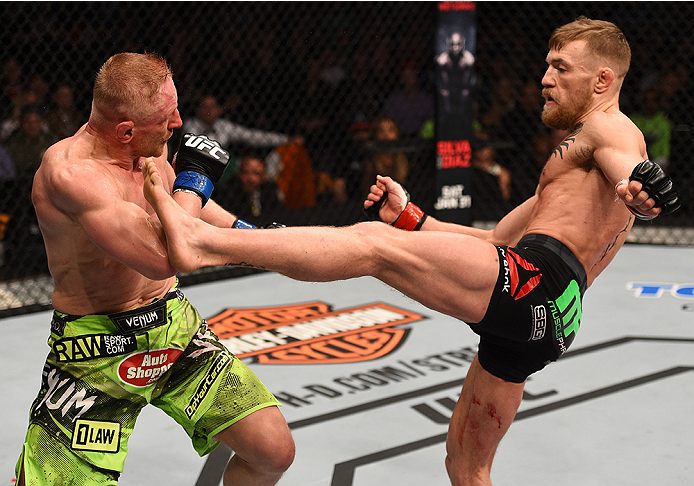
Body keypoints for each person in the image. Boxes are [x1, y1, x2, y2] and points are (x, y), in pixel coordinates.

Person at [141, 17, 681, 485]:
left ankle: (205, 241)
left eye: (561, 67)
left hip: (536, 283)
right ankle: (222, 237)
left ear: (603, 79)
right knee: (464, 469)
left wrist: (643, 187)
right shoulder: (569, 169)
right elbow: (494, 244)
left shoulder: (610, 129)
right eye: (547, 65)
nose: (545, 79)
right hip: (551, 310)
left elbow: (629, 168)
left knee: (373, 247)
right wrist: (414, 219)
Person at [16, 52, 294, 486]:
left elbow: (186, 208)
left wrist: (255, 236)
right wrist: (196, 179)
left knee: (272, 451)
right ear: (125, 130)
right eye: (168, 115)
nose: (180, 122)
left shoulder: (148, 147)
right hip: (95, 345)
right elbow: (167, 254)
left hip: (173, 326)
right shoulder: (73, 174)